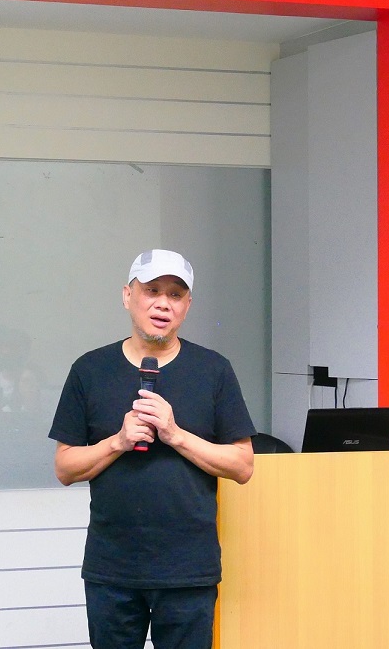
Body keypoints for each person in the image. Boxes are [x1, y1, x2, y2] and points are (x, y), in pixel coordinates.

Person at [48, 249, 255, 649]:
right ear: (128, 296)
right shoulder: (89, 370)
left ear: (187, 306)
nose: (163, 303)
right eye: (152, 291)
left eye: (176, 295)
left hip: (188, 570)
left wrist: (175, 435)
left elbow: (242, 465)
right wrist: (118, 442)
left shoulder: (213, 370)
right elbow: (65, 468)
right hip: (113, 568)